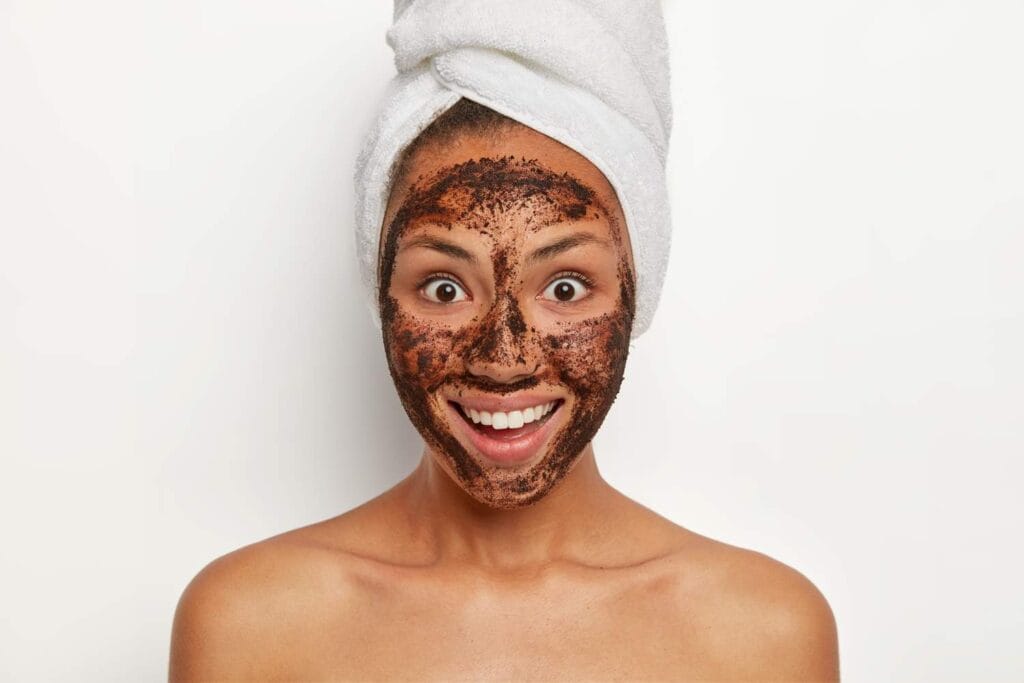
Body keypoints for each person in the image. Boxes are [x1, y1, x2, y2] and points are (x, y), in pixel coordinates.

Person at [168, 97, 839, 681]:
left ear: (638, 290)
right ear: (381, 295)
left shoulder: (763, 634)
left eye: (566, 287)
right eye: (445, 287)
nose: (504, 356)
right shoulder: (250, 624)